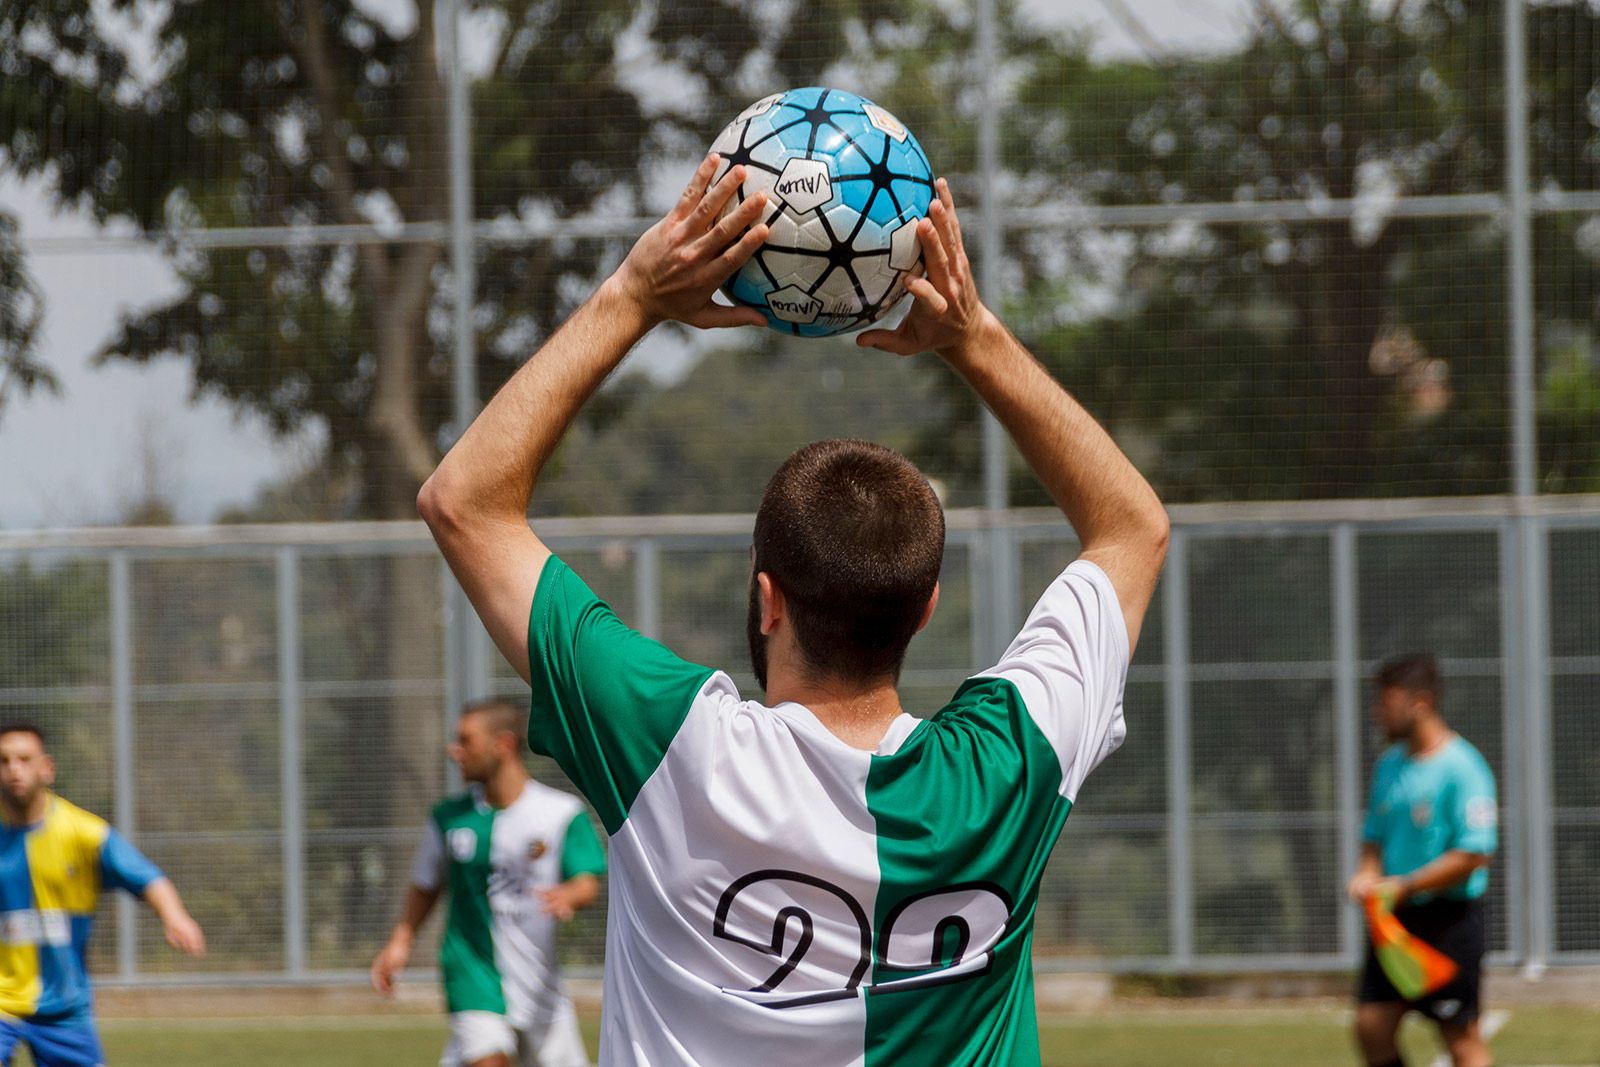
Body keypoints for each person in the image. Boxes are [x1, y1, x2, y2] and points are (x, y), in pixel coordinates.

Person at [417, 154, 1169, 1064]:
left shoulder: (676, 747)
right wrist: (972, 335)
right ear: (925, 608)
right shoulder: (1009, 762)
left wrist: (635, 294)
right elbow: (1133, 529)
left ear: (765, 600)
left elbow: (463, 500)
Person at [370, 700, 606, 1067]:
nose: (454, 751)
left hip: (539, 984)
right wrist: (400, 940)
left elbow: (587, 882)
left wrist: (569, 895)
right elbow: (426, 885)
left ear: (504, 744)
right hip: (471, 972)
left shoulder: (561, 813)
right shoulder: (449, 818)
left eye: (466, 740)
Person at [0, 721, 205, 1067]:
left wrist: (174, 916)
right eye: (4, 761)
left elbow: (147, 878)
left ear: (47, 768)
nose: (13, 770)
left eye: (24, 759)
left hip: (64, 1005)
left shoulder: (85, 834)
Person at [1346, 654, 1499, 1067]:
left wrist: (1407, 885)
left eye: (1387, 703)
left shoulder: (1463, 768)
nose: (1377, 713)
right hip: (1394, 923)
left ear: (1421, 702)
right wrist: (1365, 874)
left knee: (1460, 1037)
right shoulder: (1389, 765)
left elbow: (1475, 853)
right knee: (1372, 1027)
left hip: (1448, 921)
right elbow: (1374, 839)